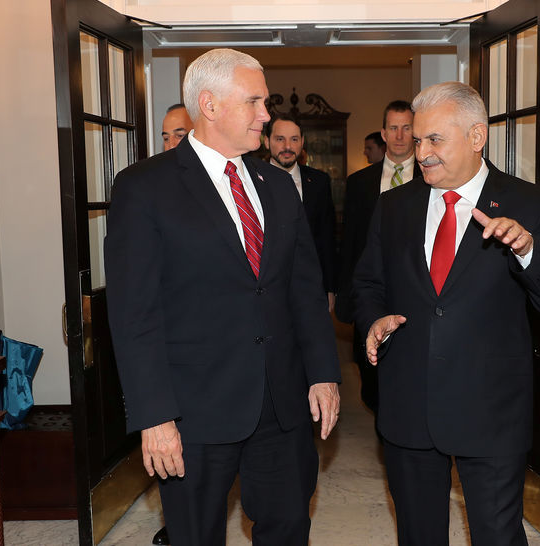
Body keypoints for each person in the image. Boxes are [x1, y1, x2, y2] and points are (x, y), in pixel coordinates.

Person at [105, 48, 341, 546]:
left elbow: (303, 290)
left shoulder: (278, 187)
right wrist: (154, 416)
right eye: (254, 102)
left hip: (282, 405)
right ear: (209, 106)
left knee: (288, 530)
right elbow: (134, 316)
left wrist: (323, 373)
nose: (266, 115)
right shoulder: (144, 188)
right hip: (194, 412)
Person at [353, 81, 540, 545]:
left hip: (491, 409)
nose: (421, 153)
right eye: (418, 140)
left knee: (497, 534)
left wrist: (527, 250)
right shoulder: (394, 206)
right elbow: (367, 284)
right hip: (408, 402)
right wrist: (374, 318)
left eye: (434, 140)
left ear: (477, 137)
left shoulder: (529, 204)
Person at [336, 100, 415, 414]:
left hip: (414, 293)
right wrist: (344, 295)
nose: (399, 135)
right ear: (383, 133)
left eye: (406, 128)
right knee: (371, 384)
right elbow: (350, 243)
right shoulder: (359, 183)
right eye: (393, 128)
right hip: (371, 295)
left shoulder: (431, 177)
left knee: (409, 379)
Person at [151, 102, 195, 546]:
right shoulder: (147, 187)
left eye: (178, 134)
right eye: (165, 136)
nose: (170, 144)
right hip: (169, 354)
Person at [264, 114, 337, 311]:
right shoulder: (252, 181)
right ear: (266, 141)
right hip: (266, 288)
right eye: (280, 139)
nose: (287, 146)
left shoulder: (319, 182)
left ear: (302, 142)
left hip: (310, 288)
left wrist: (330, 287)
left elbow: (327, 237)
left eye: (294, 139)